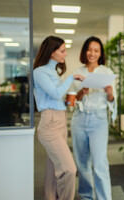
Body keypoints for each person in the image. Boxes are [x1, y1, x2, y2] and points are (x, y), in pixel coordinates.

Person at [33, 36, 84, 200]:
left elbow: (56, 97)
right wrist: (71, 78)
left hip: (60, 121)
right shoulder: (39, 72)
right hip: (49, 123)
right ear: (51, 52)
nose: (66, 54)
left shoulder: (53, 72)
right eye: (62, 50)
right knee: (69, 169)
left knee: (53, 169)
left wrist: (71, 99)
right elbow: (55, 93)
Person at [70, 36, 117, 200]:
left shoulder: (106, 72)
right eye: (89, 50)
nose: (92, 53)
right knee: (82, 164)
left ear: (100, 53)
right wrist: (81, 92)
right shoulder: (77, 73)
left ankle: (104, 198)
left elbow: (112, 101)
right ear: (85, 51)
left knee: (99, 164)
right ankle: (86, 196)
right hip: (79, 119)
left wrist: (110, 93)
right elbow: (71, 100)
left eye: (96, 50)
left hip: (98, 120)